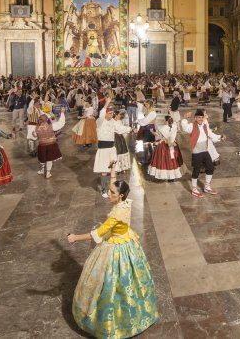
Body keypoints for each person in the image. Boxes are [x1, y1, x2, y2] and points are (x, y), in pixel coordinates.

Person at [67, 168, 159, 338]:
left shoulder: (115, 215)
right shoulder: (126, 202)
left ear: (121, 195)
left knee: (111, 280)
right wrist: (113, 169)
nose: (109, 194)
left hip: (116, 247)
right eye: (110, 191)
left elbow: (96, 234)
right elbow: (114, 184)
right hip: (127, 239)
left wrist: (74, 237)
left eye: (112, 193)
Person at [180, 109, 225, 198]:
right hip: (196, 152)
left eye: (202, 117)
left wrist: (220, 137)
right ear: (195, 118)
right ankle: (194, 189)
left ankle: (207, 187)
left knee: (210, 167)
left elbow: (211, 134)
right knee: (196, 170)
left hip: (205, 150)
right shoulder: (192, 126)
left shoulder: (205, 126)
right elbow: (185, 128)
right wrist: (184, 118)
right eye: (198, 117)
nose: (200, 119)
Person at [94, 105, 132, 197]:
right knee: (104, 171)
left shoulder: (112, 122)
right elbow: (101, 115)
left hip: (112, 149)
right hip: (103, 149)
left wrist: (130, 128)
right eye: (109, 113)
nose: (112, 115)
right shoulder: (99, 121)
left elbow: (120, 129)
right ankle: (103, 190)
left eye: (112, 113)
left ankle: (112, 189)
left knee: (113, 169)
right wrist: (106, 104)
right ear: (105, 113)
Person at [33, 111, 67, 179]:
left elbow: (34, 137)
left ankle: (42, 170)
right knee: (49, 159)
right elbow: (61, 123)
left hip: (42, 145)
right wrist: (62, 113)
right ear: (46, 119)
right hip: (51, 145)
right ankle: (48, 173)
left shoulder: (36, 128)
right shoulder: (52, 126)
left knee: (42, 158)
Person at [148, 115, 182, 181]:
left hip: (164, 145)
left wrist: (151, 131)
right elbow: (172, 136)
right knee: (172, 160)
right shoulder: (174, 127)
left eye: (164, 120)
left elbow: (158, 135)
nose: (164, 121)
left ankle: (164, 175)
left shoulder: (163, 128)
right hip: (173, 144)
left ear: (166, 121)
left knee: (163, 160)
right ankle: (172, 176)